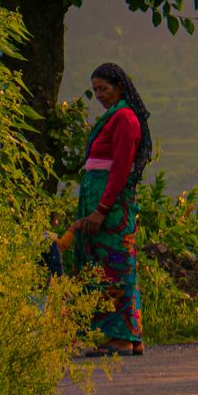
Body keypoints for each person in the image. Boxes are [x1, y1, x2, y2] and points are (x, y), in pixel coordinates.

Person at [72, 62, 151, 358]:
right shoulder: (115, 116)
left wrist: (101, 209)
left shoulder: (124, 118)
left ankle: (120, 337)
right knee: (111, 264)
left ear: (120, 87)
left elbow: (120, 169)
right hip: (103, 200)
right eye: (95, 90)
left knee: (115, 264)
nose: (99, 95)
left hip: (112, 207)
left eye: (103, 88)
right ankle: (129, 336)